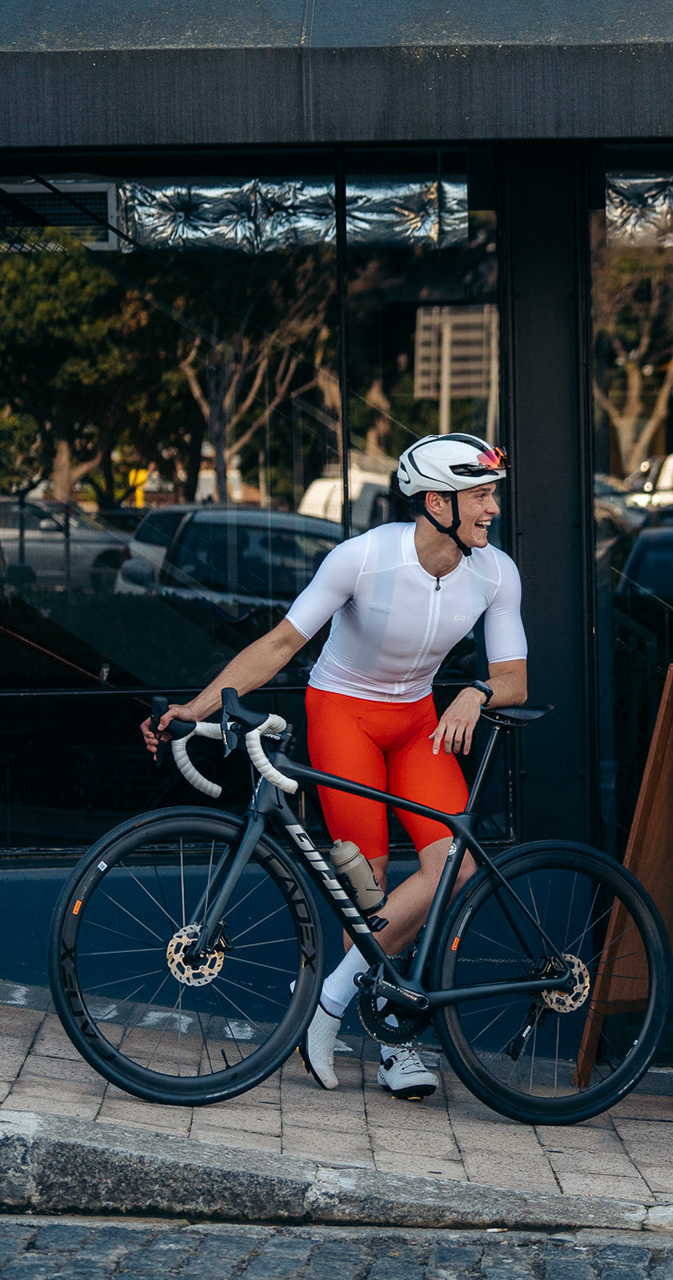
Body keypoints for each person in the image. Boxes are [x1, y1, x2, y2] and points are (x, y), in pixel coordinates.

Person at [144, 433, 527, 1102]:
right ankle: (394, 1038)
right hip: (342, 714)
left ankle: (335, 1005)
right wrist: (196, 708)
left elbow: (514, 679)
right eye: (481, 496)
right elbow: (280, 644)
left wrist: (476, 692)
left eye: (493, 494)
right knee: (369, 889)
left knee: (455, 870)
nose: (493, 508)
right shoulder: (364, 558)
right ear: (437, 503)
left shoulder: (496, 572)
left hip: (418, 722)